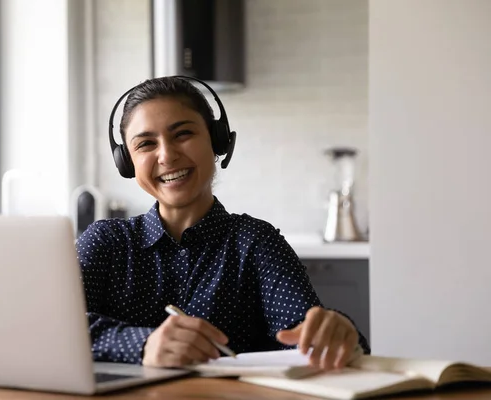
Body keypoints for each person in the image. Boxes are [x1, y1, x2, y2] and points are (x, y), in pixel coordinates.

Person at [76, 76, 370, 370]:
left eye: (182, 134)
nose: (166, 155)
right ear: (127, 162)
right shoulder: (105, 241)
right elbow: (49, 326)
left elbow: (303, 330)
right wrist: (142, 344)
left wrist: (335, 335)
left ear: (217, 141)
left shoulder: (255, 242)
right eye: (146, 144)